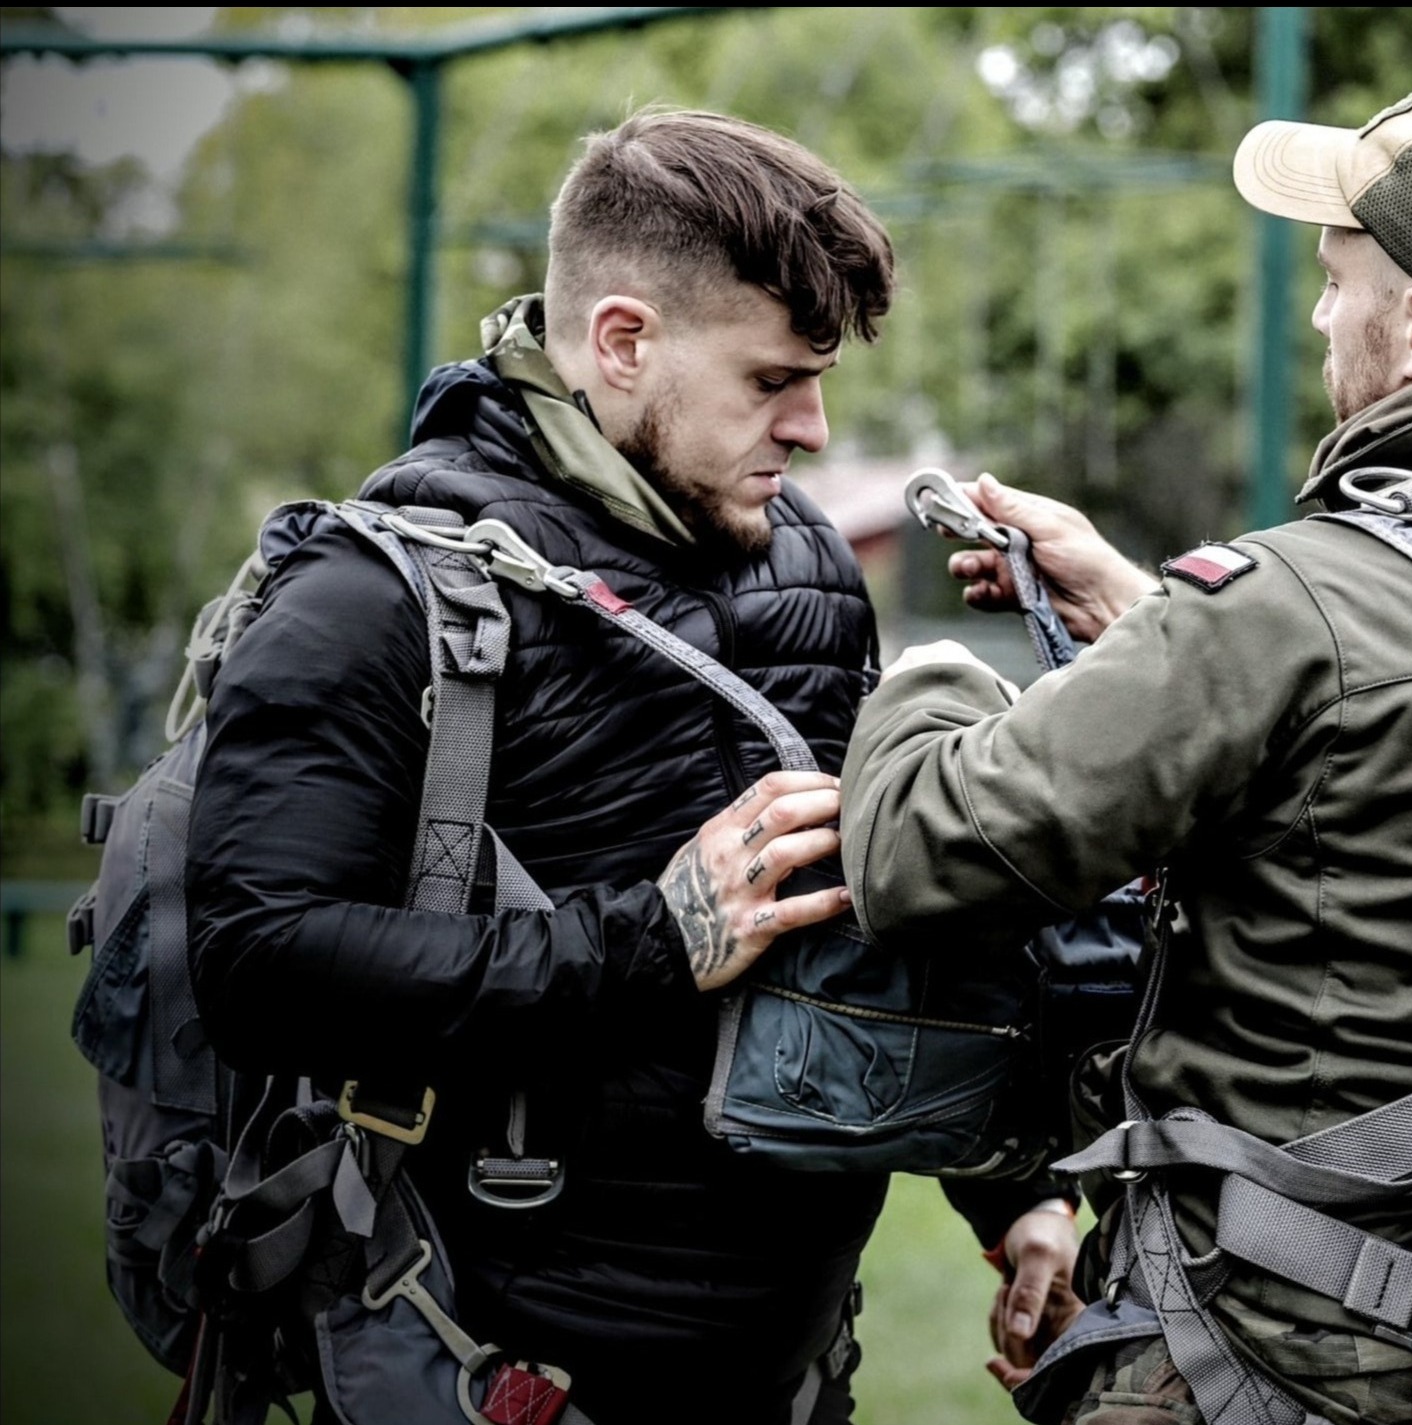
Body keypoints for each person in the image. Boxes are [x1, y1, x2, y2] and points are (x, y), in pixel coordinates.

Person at [186, 107, 1070, 1425]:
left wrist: (1018, 1193)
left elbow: (859, 930)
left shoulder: (811, 571)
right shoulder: (382, 592)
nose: (816, 429)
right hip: (485, 1368)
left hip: (792, 1373)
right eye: (772, 380)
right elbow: (256, 963)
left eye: (819, 379)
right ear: (622, 340)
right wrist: (650, 937)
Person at [838, 83, 1412, 1425]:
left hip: (1269, 1354)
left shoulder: (1288, 603)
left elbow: (919, 851)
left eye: (1333, 281)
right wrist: (1153, 625)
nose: (1318, 318)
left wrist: (927, 673)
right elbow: (1384, 741)